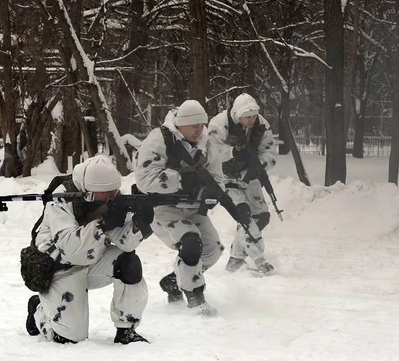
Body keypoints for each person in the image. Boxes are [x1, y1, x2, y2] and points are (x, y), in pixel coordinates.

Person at [25, 155, 153, 345]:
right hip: (58, 269)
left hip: (91, 261)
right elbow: (68, 248)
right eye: (108, 193)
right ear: (91, 191)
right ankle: (39, 310)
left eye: (115, 191)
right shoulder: (61, 198)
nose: (113, 197)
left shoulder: (112, 196)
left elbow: (126, 244)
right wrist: (102, 224)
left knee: (128, 264)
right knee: (68, 339)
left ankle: (127, 329)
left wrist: (137, 224)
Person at [135, 99, 225, 314]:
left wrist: (213, 191)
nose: (199, 130)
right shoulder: (160, 139)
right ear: (181, 124)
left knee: (213, 249)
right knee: (191, 242)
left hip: (193, 208)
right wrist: (182, 180)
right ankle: (196, 301)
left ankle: (174, 281)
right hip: (163, 208)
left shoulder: (206, 143)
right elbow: (144, 179)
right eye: (194, 125)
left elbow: (217, 176)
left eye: (202, 125)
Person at [207, 93, 277, 275]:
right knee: (243, 214)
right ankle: (260, 260)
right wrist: (233, 153)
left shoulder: (262, 125)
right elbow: (209, 154)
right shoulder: (219, 124)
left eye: (254, 116)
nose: (252, 120)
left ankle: (236, 258)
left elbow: (269, 153)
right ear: (238, 115)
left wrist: (259, 166)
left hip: (249, 176)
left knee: (261, 217)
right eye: (248, 117)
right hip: (225, 178)